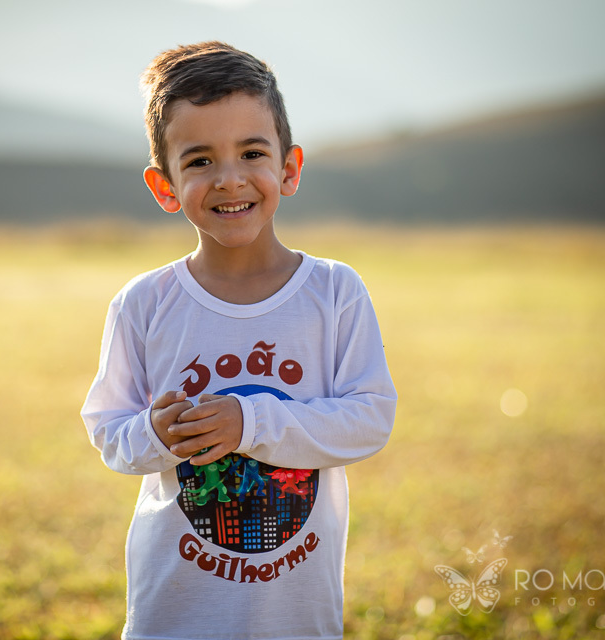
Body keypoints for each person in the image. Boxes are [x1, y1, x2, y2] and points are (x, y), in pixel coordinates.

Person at [81, 41, 398, 640]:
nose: (230, 180)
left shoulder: (334, 292)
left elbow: (369, 420)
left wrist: (249, 422)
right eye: (200, 160)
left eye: (252, 153)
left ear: (289, 169)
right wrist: (155, 434)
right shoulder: (144, 303)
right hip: (173, 615)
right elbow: (108, 432)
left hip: (294, 617)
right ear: (165, 186)